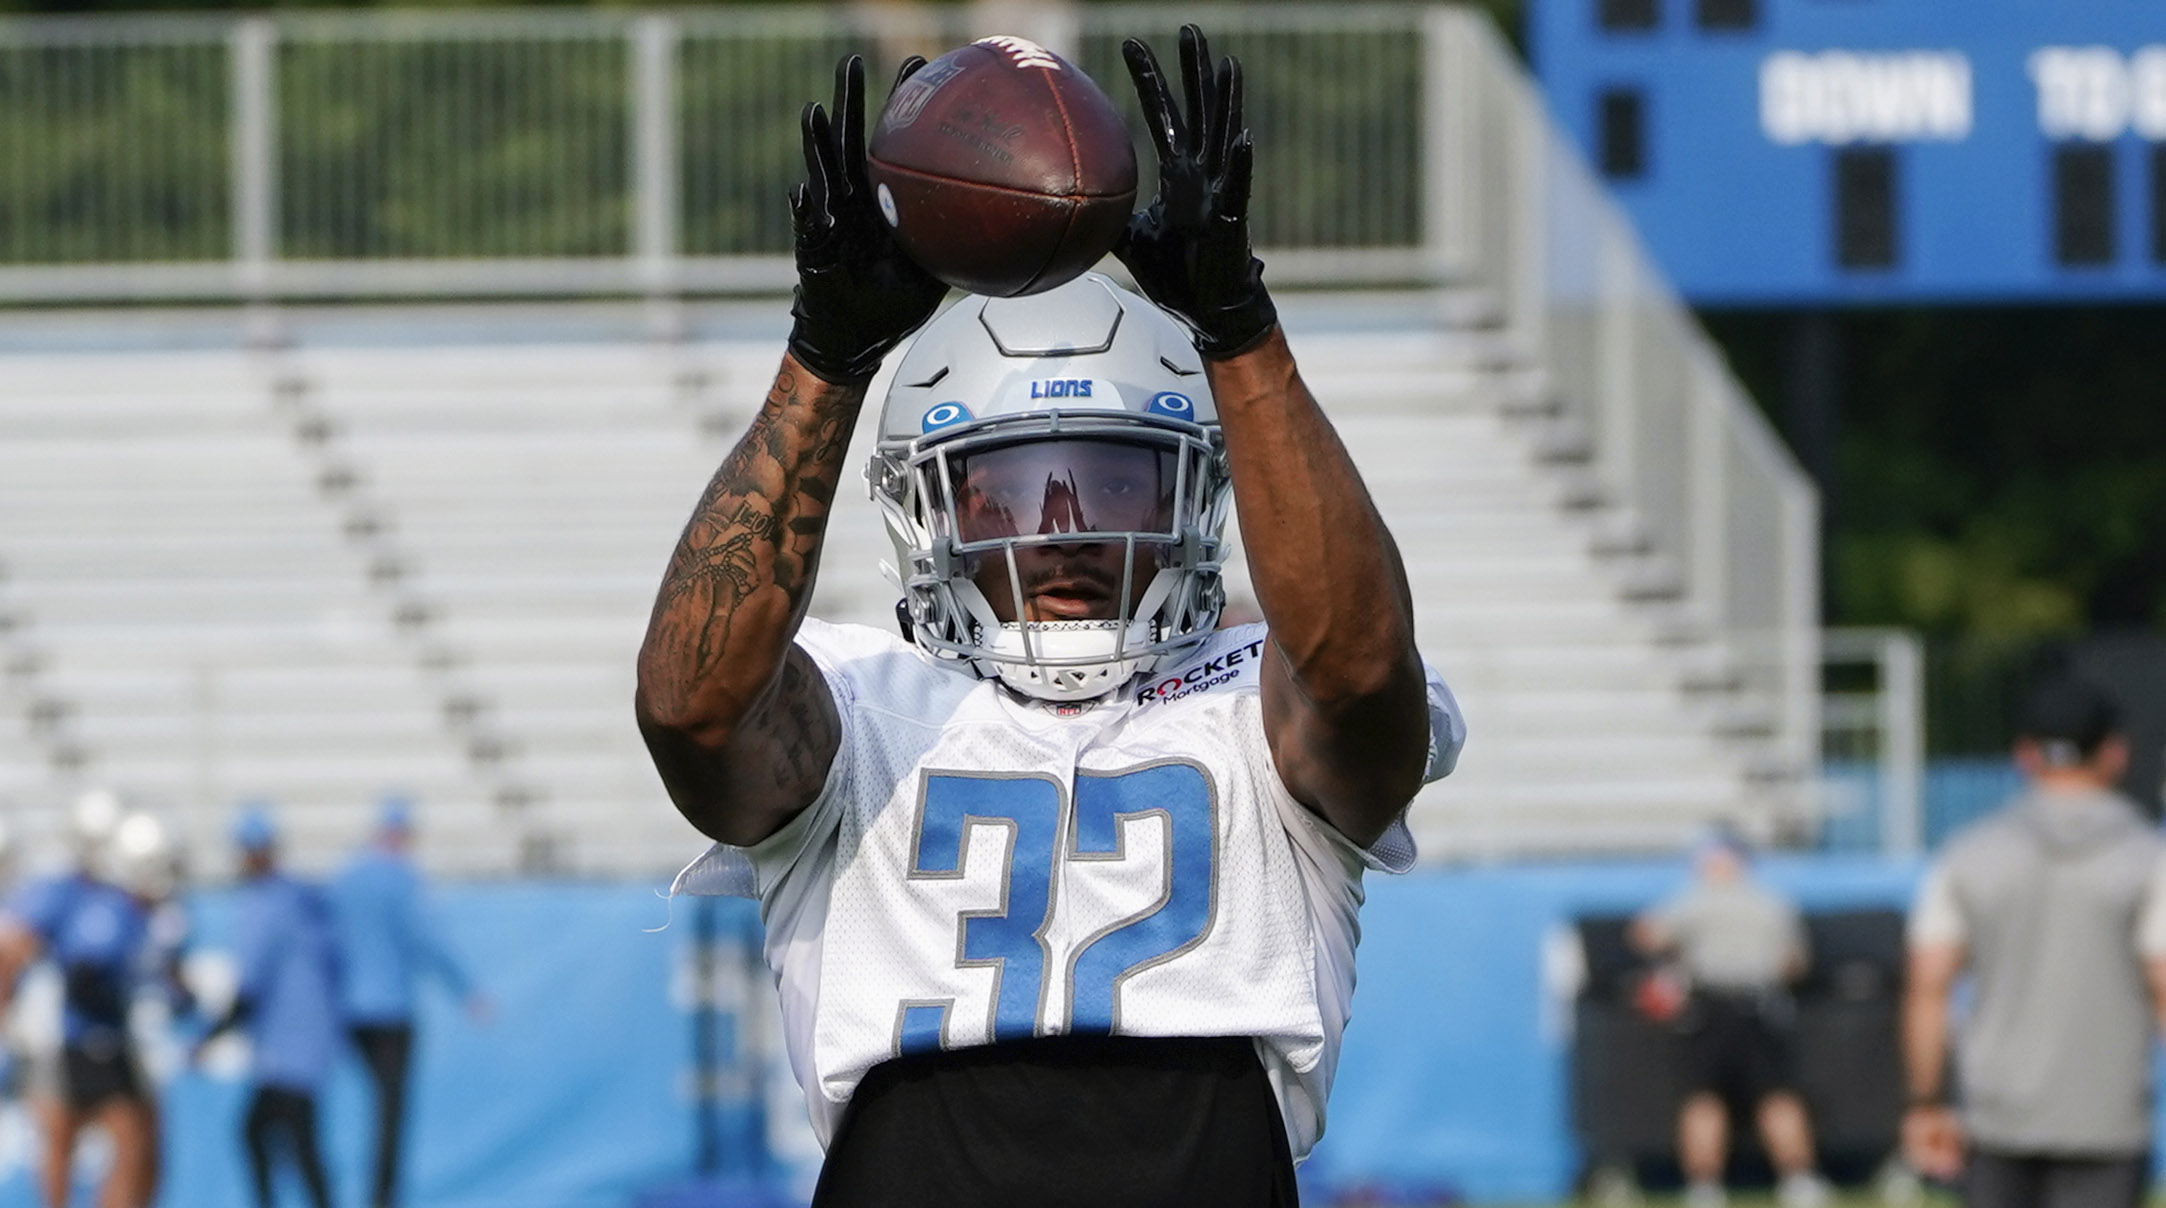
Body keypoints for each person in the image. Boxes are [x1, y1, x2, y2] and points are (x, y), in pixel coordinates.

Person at [637, 26, 1464, 1208]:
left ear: (1197, 495)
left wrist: (1238, 325)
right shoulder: (862, 700)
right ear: (928, 508)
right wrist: (825, 357)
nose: (1067, 524)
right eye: (1015, 489)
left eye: (1118, 480)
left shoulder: (1257, 695)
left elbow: (1363, 669)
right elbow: (690, 706)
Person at [1902, 677, 2166, 1208]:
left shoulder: (1968, 853)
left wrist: (1925, 1103)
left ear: (2025, 755)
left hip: (1997, 1118)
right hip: (2106, 1117)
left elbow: (1929, 985)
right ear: (2114, 753)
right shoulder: (2147, 858)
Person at [1632, 828, 1828, 1208]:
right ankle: (1799, 1179)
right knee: (1774, 1096)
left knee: (1705, 1098)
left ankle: (1704, 1185)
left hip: (1710, 1009)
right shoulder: (1770, 902)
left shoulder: (1694, 900)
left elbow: (1647, 935)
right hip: (1760, 1007)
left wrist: (1678, 958)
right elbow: (1795, 964)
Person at [0, 791, 164, 1208]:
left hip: (111, 1037)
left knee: (136, 1141)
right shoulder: (60, 893)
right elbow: (13, 950)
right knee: (60, 1140)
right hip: (62, 1041)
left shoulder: (124, 901)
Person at [331, 795, 489, 1208]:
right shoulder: (401, 878)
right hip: (391, 1012)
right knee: (391, 1112)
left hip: (350, 1011)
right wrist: (466, 989)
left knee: (356, 1105)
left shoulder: (348, 876)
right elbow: (427, 938)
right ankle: (382, 1199)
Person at [198, 806, 342, 1208]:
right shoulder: (296, 895)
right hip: (306, 1039)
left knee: (272, 1136)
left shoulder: (263, 902)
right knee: (287, 1138)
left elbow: (249, 986)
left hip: (288, 1046)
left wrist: (211, 1035)